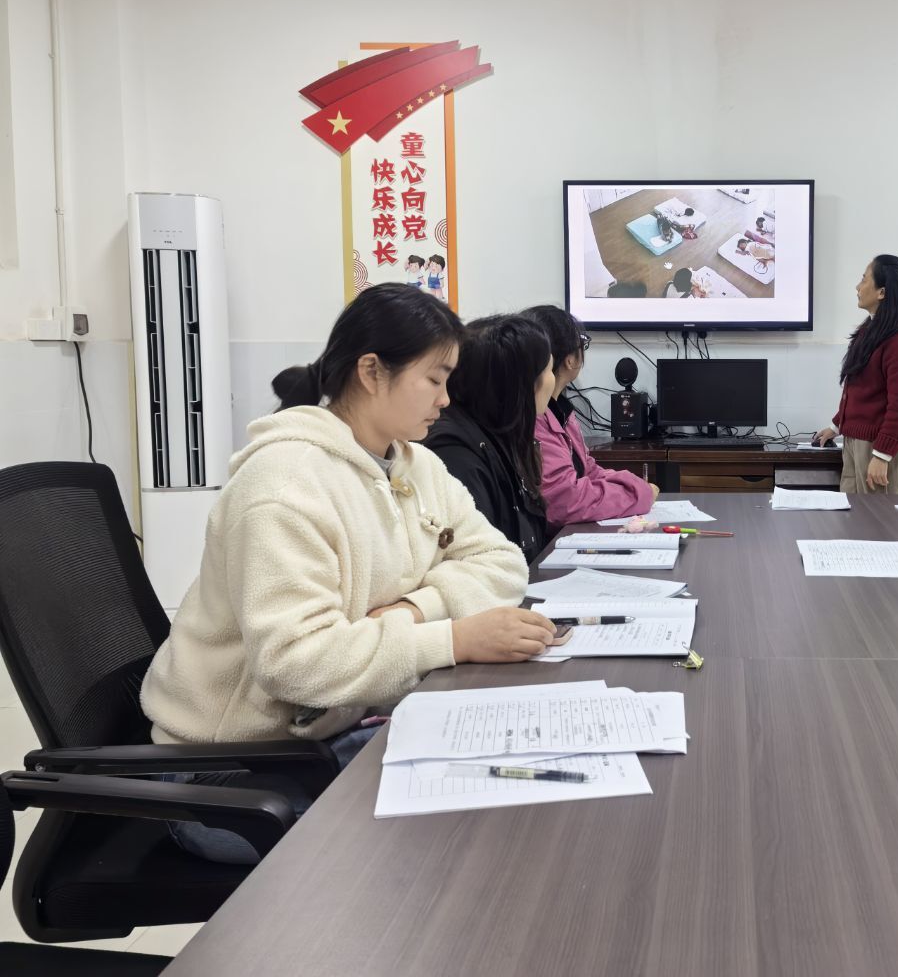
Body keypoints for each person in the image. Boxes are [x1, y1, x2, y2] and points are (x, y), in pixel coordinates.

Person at [140, 284, 563, 862]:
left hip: (332, 730)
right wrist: (452, 640)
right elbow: (296, 663)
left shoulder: (414, 463)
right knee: (462, 838)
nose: (446, 399)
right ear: (371, 371)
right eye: (434, 379)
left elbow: (501, 561)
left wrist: (417, 609)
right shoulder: (284, 487)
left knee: (517, 780)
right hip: (229, 774)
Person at [425, 315, 555, 561]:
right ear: (523, 383)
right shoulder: (455, 454)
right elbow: (473, 560)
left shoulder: (501, 432)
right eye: (549, 369)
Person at [522, 305, 659, 526]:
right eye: (583, 344)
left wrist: (633, 486)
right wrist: (637, 495)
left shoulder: (561, 412)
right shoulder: (534, 418)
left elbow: (588, 471)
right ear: (569, 359)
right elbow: (565, 501)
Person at [815, 254, 898, 494]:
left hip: (879, 448)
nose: (858, 287)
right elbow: (861, 390)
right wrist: (837, 425)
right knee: (852, 515)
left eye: (864, 280)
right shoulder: (871, 330)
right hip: (856, 443)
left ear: (882, 292)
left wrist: (882, 454)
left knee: (878, 518)